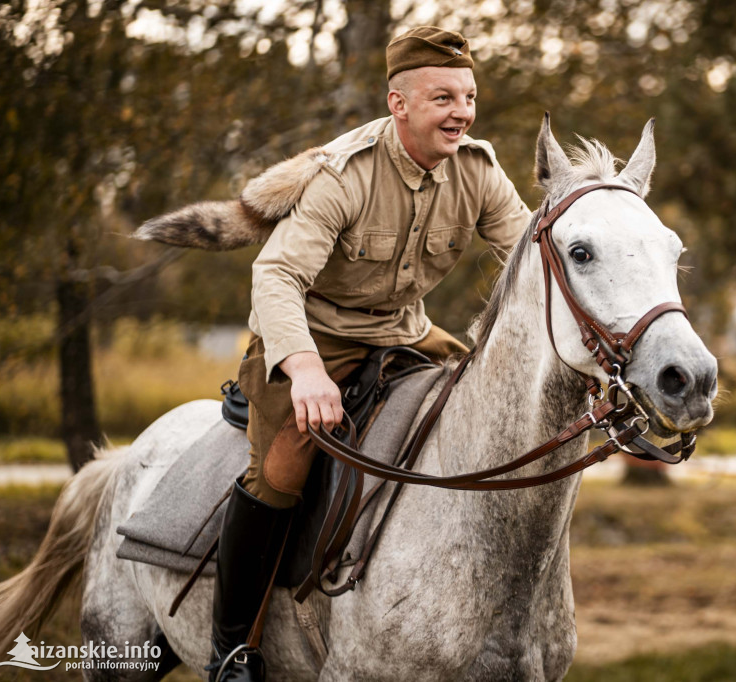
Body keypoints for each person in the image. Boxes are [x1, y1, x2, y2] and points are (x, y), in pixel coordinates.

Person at [208, 26, 531, 681]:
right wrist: (302, 371)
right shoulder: (343, 173)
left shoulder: (479, 170)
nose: (462, 112)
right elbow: (275, 277)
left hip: (405, 331)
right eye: (443, 98)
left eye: (468, 97)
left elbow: (532, 258)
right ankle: (232, 649)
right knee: (282, 472)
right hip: (310, 335)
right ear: (399, 103)